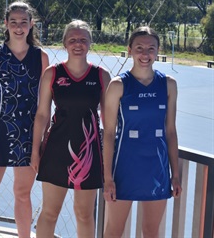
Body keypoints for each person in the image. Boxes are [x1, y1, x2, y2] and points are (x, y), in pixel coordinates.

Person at [0, 1, 49, 238]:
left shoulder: (41, 57)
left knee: (22, 193)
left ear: (31, 25)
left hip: (29, 134)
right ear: (5, 24)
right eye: (13, 22)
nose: (18, 27)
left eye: (23, 22)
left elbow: (44, 104)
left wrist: (39, 142)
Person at [30, 20, 111, 237]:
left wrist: (108, 158)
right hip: (56, 150)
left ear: (90, 43)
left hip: (89, 154)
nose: (78, 44)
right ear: (65, 43)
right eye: (73, 39)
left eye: (83, 40)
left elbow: (109, 122)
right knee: (50, 212)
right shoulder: (53, 73)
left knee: (84, 214)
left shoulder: (101, 76)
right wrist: (35, 151)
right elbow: (42, 115)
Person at [102, 26, 181, 238]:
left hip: (157, 168)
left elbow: (171, 132)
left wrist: (176, 174)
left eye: (151, 48)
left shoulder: (169, 85)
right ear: (129, 50)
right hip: (124, 167)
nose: (145, 54)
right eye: (139, 48)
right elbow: (109, 133)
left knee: (151, 232)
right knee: (113, 231)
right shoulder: (118, 85)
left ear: (157, 51)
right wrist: (107, 177)